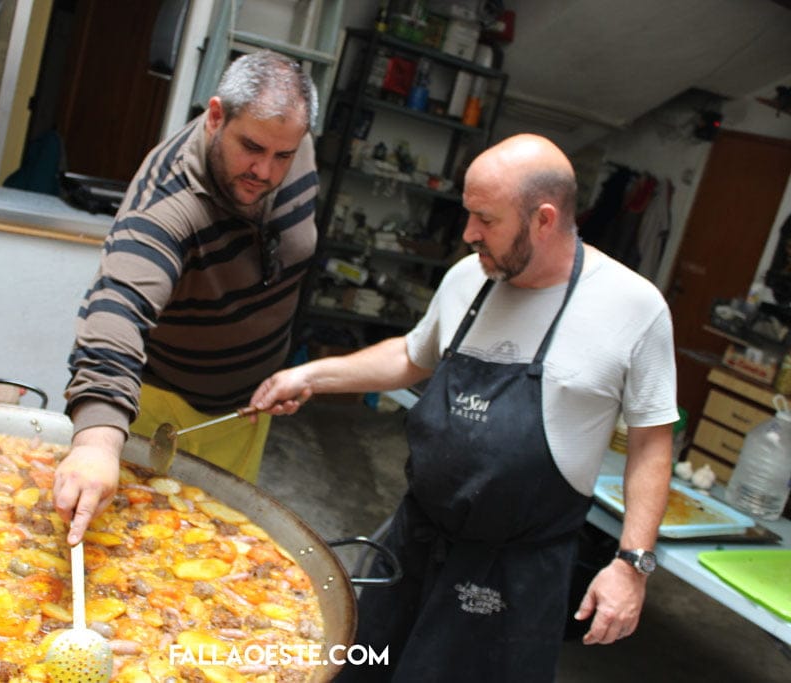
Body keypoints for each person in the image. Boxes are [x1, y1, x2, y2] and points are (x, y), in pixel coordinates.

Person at [250, 134, 678, 682]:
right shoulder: (468, 277)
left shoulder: (633, 307)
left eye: (486, 219)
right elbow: (412, 355)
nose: (468, 233)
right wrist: (310, 375)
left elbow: (651, 441)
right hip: (414, 543)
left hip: (511, 577)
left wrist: (631, 565)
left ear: (544, 220)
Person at [55, 50, 319, 546]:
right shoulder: (166, 202)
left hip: (247, 411)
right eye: (251, 148)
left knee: (219, 553)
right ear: (216, 116)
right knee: (141, 554)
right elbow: (114, 312)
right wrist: (97, 443)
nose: (265, 171)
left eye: (283, 155)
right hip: (163, 414)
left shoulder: (288, 137)